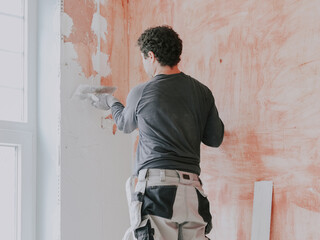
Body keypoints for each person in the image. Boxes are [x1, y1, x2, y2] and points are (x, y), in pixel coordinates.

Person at [91, 25, 224, 240]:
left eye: (144, 58)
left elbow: (125, 124)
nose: (144, 64)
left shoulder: (143, 91)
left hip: (158, 190)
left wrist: (110, 101)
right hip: (193, 192)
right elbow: (215, 139)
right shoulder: (202, 92)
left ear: (151, 56)